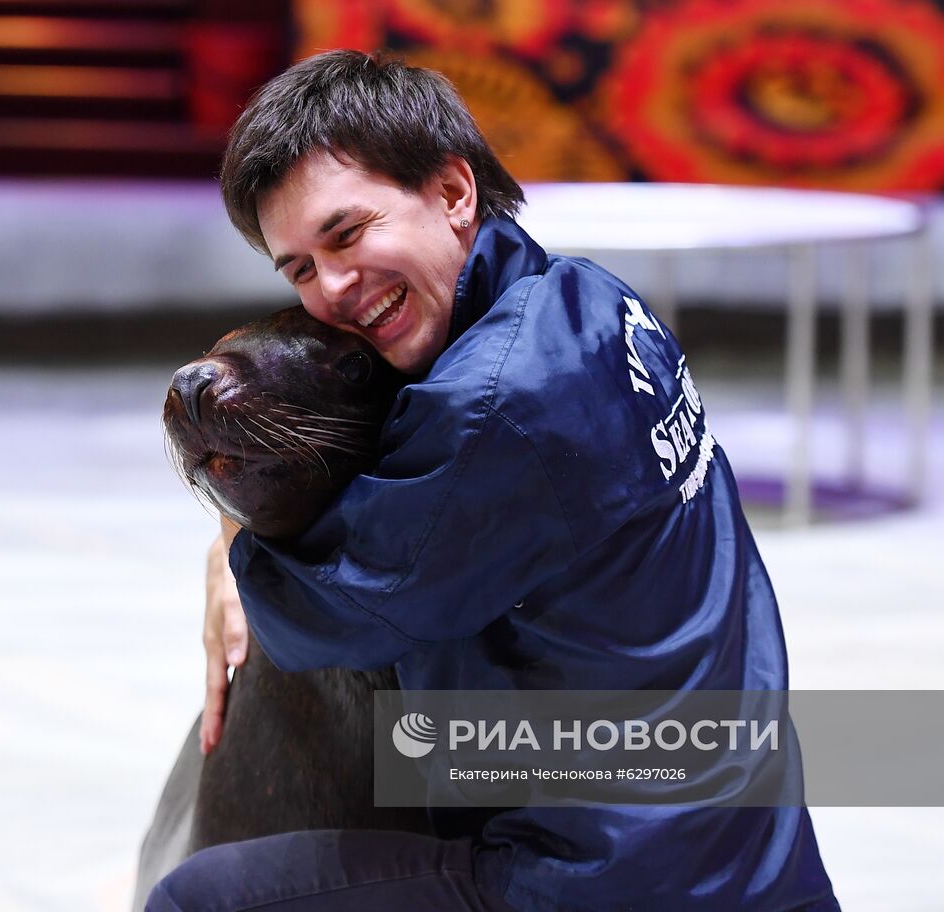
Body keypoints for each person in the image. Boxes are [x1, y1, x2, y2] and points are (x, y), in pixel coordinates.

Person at [148, 50, 839, 912]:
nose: (333, 287)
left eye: (348, 233)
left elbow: (332, 615)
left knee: (197, 900)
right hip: (744, 849)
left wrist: (240, 539)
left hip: (605, 879)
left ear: (452, 192)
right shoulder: (587, 301)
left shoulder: (499, 403)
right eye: (298, 269)